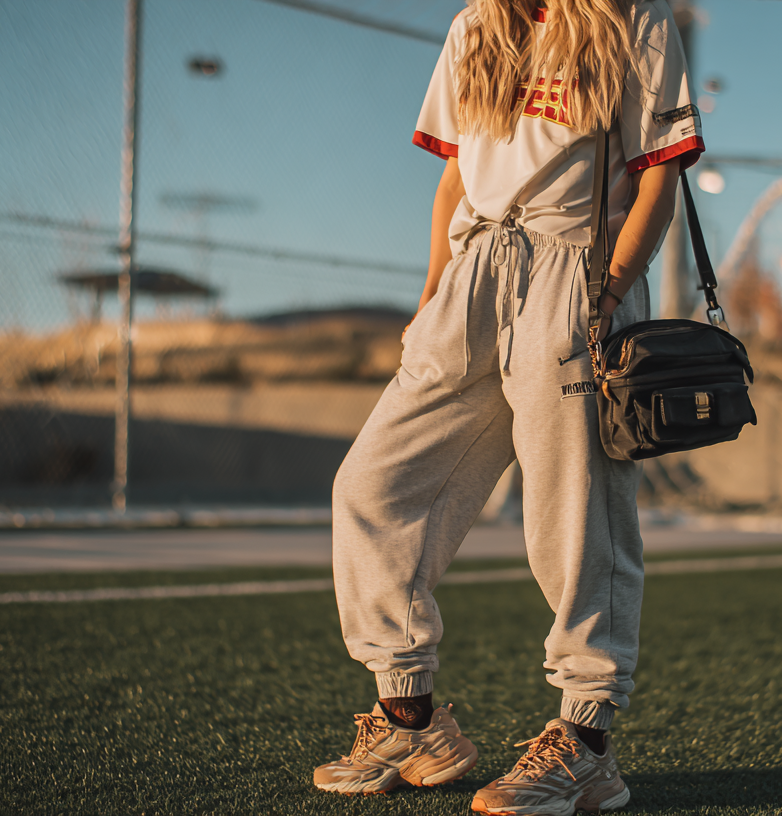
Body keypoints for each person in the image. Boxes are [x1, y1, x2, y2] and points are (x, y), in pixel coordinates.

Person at [313, 0, 702, 811]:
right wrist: (431, 297)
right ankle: (411, 719)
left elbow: (658, 176)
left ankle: (587, 742)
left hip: (574, 269)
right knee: (373, 486)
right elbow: (455, 177)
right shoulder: (475, 27)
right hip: (472, 275)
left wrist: (607, 293)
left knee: (576, 515)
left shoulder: (632, 19)